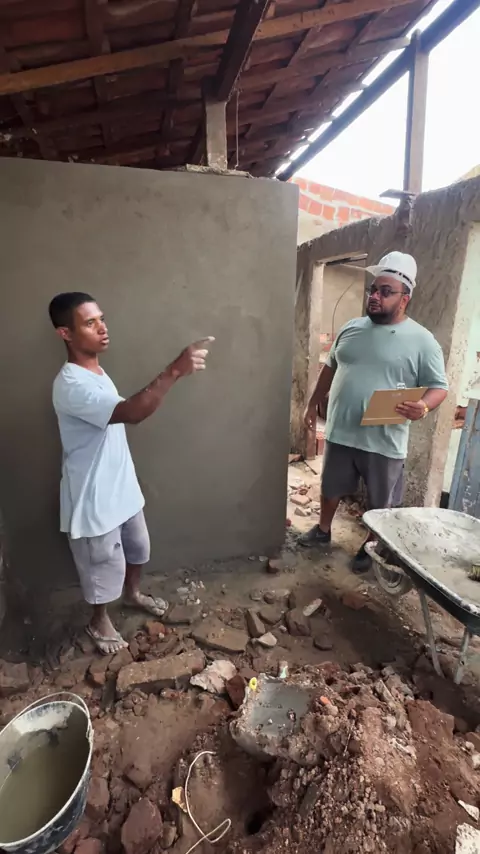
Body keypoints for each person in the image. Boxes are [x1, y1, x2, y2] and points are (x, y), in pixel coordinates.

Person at [49, 291, 214, 654]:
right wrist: (174, 370)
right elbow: (132, 413)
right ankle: (98, 620)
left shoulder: (95, 372)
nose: (102, 328)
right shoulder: (71, 385)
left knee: (138, 549)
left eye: (102, 319)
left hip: (121, 486)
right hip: (94, 495)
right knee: (102, 566)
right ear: (65, 333)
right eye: (90, 323)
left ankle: (132, 594)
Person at [299, 251, 448, 572]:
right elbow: (330, 368)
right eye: (374, 289)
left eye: (385, 291)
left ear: (404, 299)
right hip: (342, 430)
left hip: (384, 439)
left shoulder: (423, 341)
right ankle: (323, 530)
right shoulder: (351, 328)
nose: (375, 296)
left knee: (380, 501)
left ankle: (370, 546)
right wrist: (312, 404)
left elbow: (439, 387)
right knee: (330, 486)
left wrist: (423, 406)